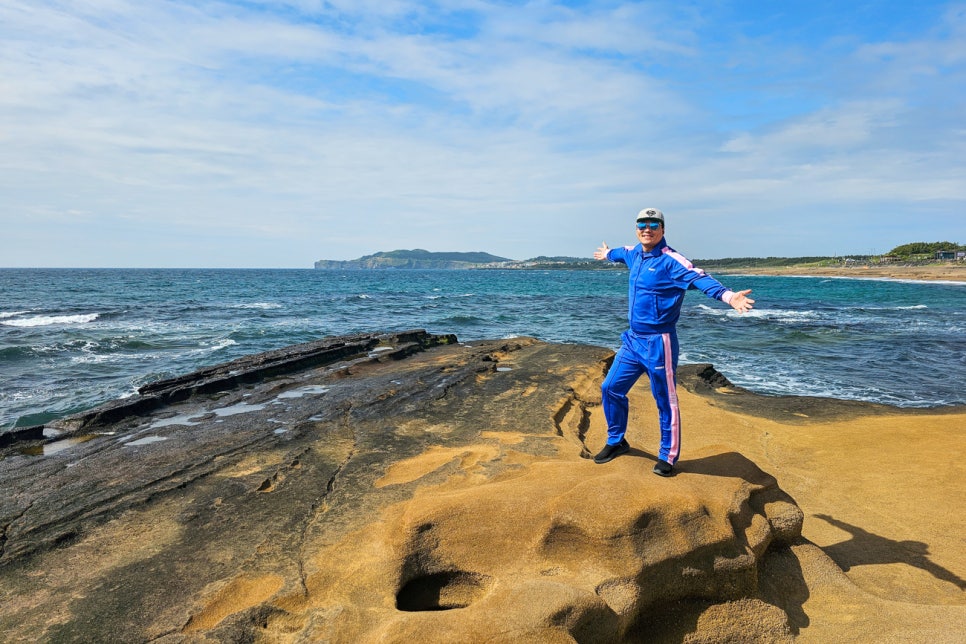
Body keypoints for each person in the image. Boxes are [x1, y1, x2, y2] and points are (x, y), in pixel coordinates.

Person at [592, 207, 755, 476]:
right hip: (633, 340)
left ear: (663, 230)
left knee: (665, 400)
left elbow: (699, 278)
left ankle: (668, 455)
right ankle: (616, 441)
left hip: (659, 342)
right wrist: (606, 254)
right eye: (642, 224)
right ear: (636, 228)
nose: (647, 228)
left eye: (654, 225)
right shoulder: (634, 253)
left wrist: (729, 297)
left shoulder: (671, 261)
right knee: (610, 388)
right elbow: (620, 252)